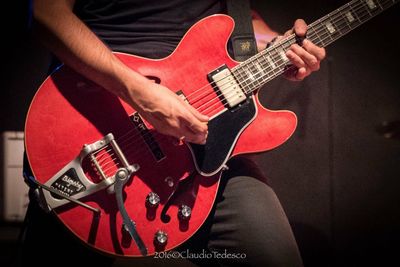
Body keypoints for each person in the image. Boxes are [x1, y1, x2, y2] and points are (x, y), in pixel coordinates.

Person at [19, 0, 325, 266]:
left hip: (206, 147)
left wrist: (276, 47)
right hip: (100, 119)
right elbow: (46, 12)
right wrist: (143, 95)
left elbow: (237, 22)